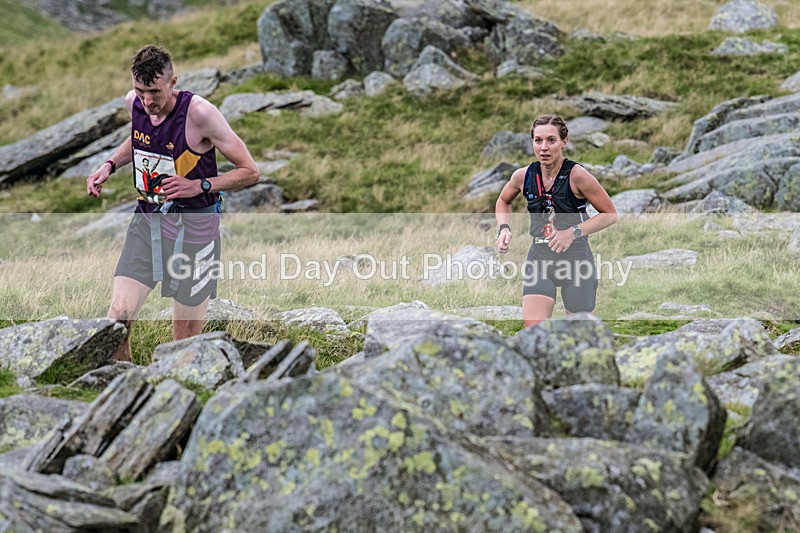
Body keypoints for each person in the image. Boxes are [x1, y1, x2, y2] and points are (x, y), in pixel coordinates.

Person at [87, 45, 259, 361]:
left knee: (183, 343)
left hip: (195, 233)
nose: (147, 101)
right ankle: (125, 387)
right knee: (116, 321)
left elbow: (250, 172)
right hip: (148, 222)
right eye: (140, 91)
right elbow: (139, 137)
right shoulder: (135, 104)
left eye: (154, 92)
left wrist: (199, 185)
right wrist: (109, 164)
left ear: (173, 81)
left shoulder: (200, 114)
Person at [495, 115, 617, 327]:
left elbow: (610, 214)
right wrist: (503, 228)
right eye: (538, 140)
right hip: (540, 258)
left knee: (581, 335)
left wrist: (573, 232)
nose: (544, 147)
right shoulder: (522, 176)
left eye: (551, 140)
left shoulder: (578, 176)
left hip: (577, 260)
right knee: (534, 333)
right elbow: (503, 200)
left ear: (564, 141)